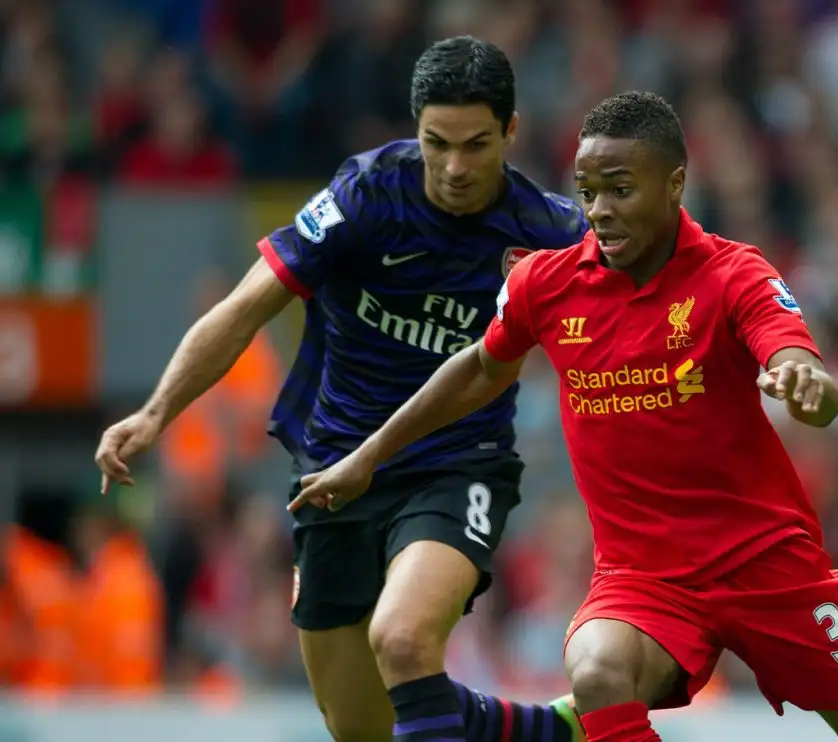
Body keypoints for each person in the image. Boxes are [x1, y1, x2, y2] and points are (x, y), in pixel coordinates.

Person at [291, 91, 838, 742]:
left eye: (620, 189)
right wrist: (370, 454)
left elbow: (798, 360)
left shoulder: (735, 274)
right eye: (587, 192)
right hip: (643, 580)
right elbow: (476, 370)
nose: (599, 211)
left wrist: (807, 384)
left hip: (769, 569)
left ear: (674, 183)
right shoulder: (545, 284)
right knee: (596, 670)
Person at [95, 37, 586, 742]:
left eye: (476, 145)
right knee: (359, 726)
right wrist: (154, 412)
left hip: (457, 465)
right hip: (333, 473)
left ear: (511, 131)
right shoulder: (365, 195)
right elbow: (245, 307)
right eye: (436, 143)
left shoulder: (548, 232)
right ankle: (546, 734)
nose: (453, 167)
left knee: (404, 638)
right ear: (414, 129)